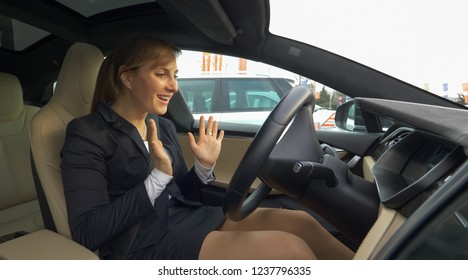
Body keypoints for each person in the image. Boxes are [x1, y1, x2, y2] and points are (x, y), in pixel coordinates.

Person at [60, 35, 354, 260]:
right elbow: (88, 231)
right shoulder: (87, 133)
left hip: (188, 218)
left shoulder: (161, 126)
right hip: (141, 243)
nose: (174, 86)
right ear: (127, 77)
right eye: (162, 74)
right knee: (287, 250)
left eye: (174, 75)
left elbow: (181, 194)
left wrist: (203, 167)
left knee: (300, 223)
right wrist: (157, 178)